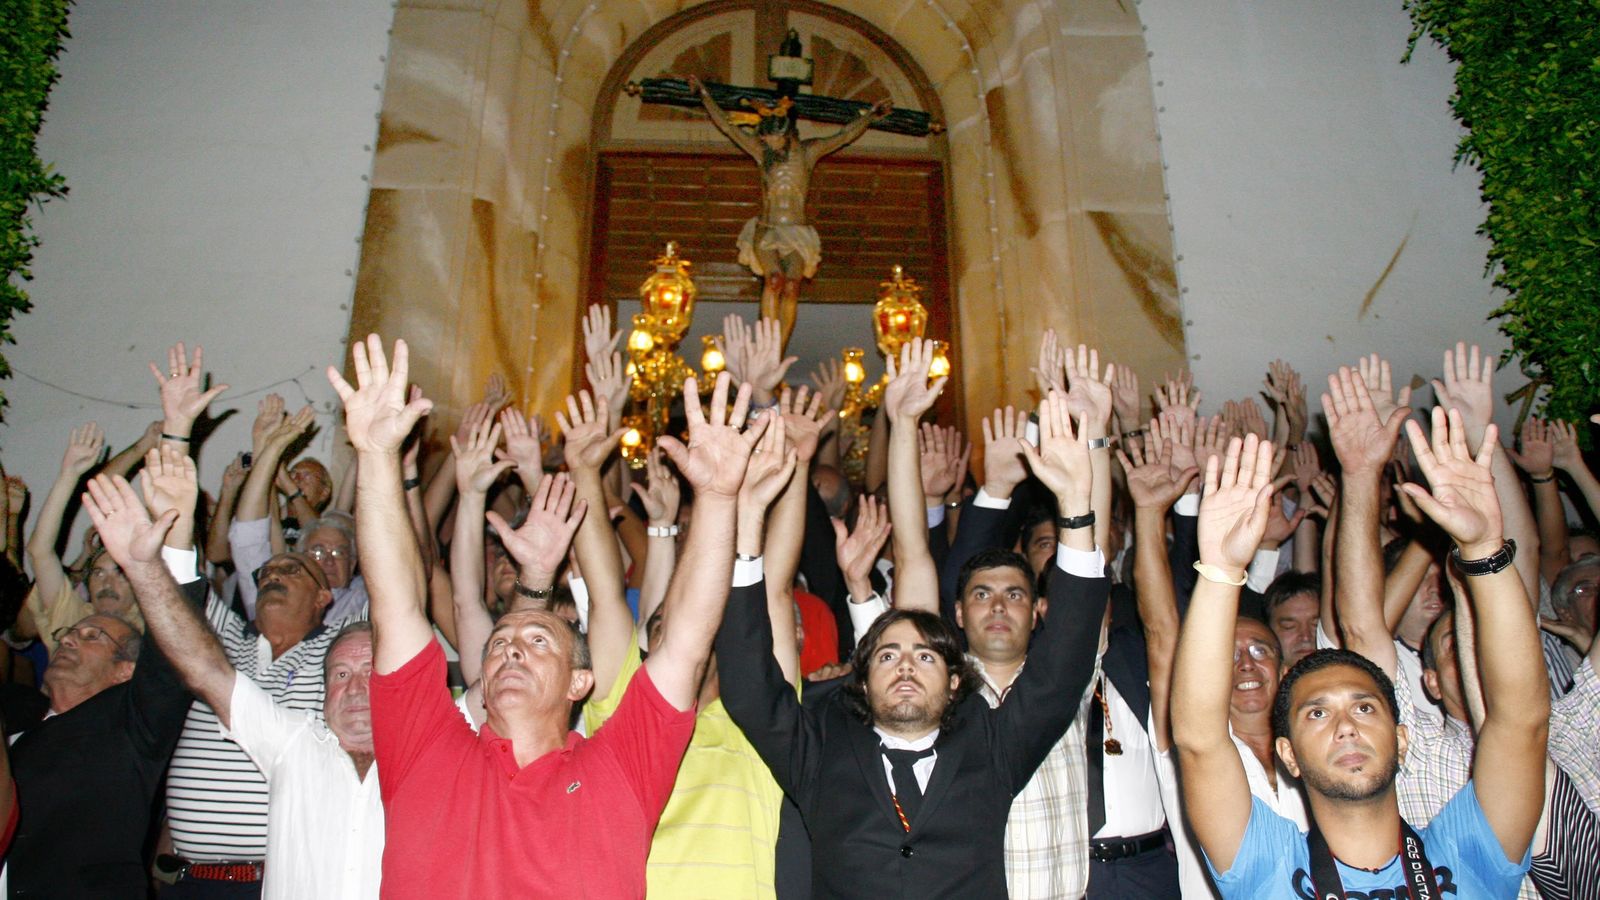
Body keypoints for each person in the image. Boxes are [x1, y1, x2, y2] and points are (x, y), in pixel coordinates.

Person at [338, 336, 761, 897]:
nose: (510, 647)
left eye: (539, 640)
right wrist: (375, 459)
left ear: (580, 683)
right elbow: (394, 603)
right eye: (498, 644)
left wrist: (716, 498)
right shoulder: (423, 747)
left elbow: (685, 637)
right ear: (480, 681)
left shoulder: (621, 766)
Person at [717, 383, 1109, 896]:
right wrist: (746, 524)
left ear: (953, 683)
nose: (905, 665)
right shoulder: (818, 751)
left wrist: (1077, 508)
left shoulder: (992, 748)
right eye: (887, 654)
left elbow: (1063, 666)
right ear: (861, 680)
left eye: (925, 655)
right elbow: (749, 687)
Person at [1173, 404, 1545, 898]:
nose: (1345, 725)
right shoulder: (1266, 866)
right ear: (1289, 755)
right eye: (1317, 713)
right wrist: (1219, 571)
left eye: (1364, 707)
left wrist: (1483, 551)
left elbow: (1522, 720)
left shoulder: (1470, 853)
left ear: (1403, 738)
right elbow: (1199, 739)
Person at [83, 449, 384, 900]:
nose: (273, 575)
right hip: (189, 881)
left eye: (292, 570)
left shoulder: (339, 652)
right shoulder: (219, 641)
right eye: (268, 572)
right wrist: (178, 520)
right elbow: (179, 599)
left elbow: (395, 587)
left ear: (325, 596)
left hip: (284, 879)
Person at [5, 467, 202, 897]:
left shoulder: (129, 726)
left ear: (125, 669)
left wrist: (173, 540)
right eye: (69, 634)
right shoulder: (17, 712)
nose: (72, 637)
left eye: (93, 636)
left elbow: (171, 652)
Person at [687, 72, 892, 343]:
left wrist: (868, 117)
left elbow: (843, 136)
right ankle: (767, 343)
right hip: (767, 228)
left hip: (796, 230)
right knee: (774, 281)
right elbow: (728, 127)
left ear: (786, 132)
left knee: (792, 287)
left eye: (774, 139)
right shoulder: (762, 153)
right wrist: (704, 95)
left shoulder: (808, 153)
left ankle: (777, 349)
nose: (769, 144)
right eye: (767, 139)